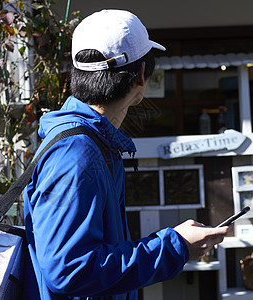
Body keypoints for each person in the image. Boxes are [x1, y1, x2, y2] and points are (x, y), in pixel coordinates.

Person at [23, 9, 230, 299]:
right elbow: (68, 269)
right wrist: (175, 247)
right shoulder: (76, 152)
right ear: (142, 76)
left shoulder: (91, 143)